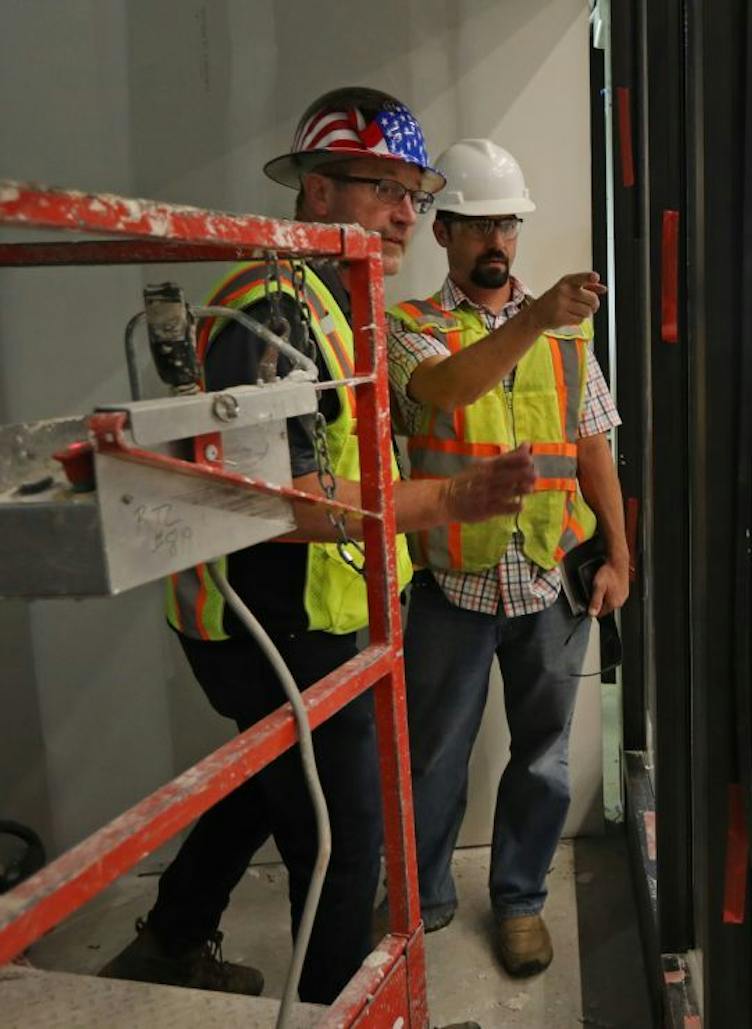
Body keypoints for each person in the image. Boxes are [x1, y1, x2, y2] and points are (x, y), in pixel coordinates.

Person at [99, 89, 535, 1005]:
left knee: (266, 780)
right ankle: (347, 1008)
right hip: (278, 622)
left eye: (414, 196)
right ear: (318, 191)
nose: (404, 215)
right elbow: (289, 502)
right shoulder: (274, 309)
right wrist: (451, 498)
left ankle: (172, 937)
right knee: (343, 843)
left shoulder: (333, 297)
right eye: (382, 188)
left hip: (310, 609)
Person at [386, 138, 628, 977]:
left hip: (550, 580)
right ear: (444, 232)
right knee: (432, 758)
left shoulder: (566, 336)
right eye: (479, 226)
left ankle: (521, 899)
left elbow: (595, 450)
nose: (497, 242)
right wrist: (533, 318)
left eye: (509, 226)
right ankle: (422, 900)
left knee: (543, 758)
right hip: (453, 584)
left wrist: (620, 559)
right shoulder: (409, 328)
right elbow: (444, 395)